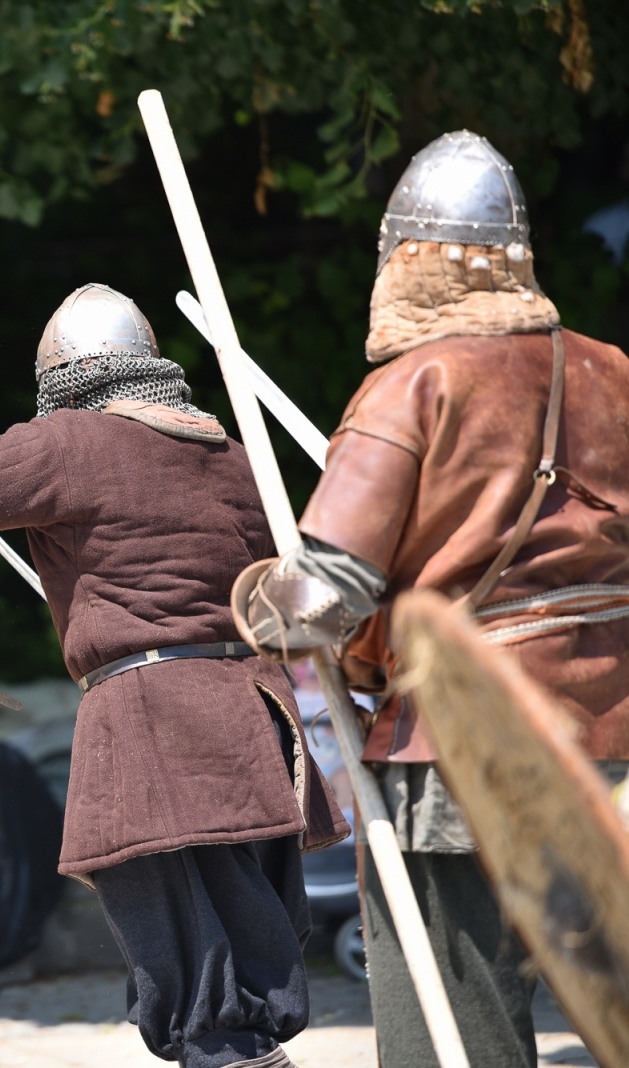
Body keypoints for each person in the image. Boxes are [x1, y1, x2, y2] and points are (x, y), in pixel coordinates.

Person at [233, 131, 629, 1068]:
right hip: (614, 739)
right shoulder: (614, 373)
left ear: (404, 263)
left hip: (462, 748)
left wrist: (259, 603)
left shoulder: (413, 384)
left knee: (456, 1015)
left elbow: (325, 596)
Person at [0, 284, 349, 1068]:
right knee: (243, 980)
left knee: (204, 996)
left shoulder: (72, 444)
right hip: (255, 727)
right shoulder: (233, 451)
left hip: (159, 732)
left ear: (66, 378)